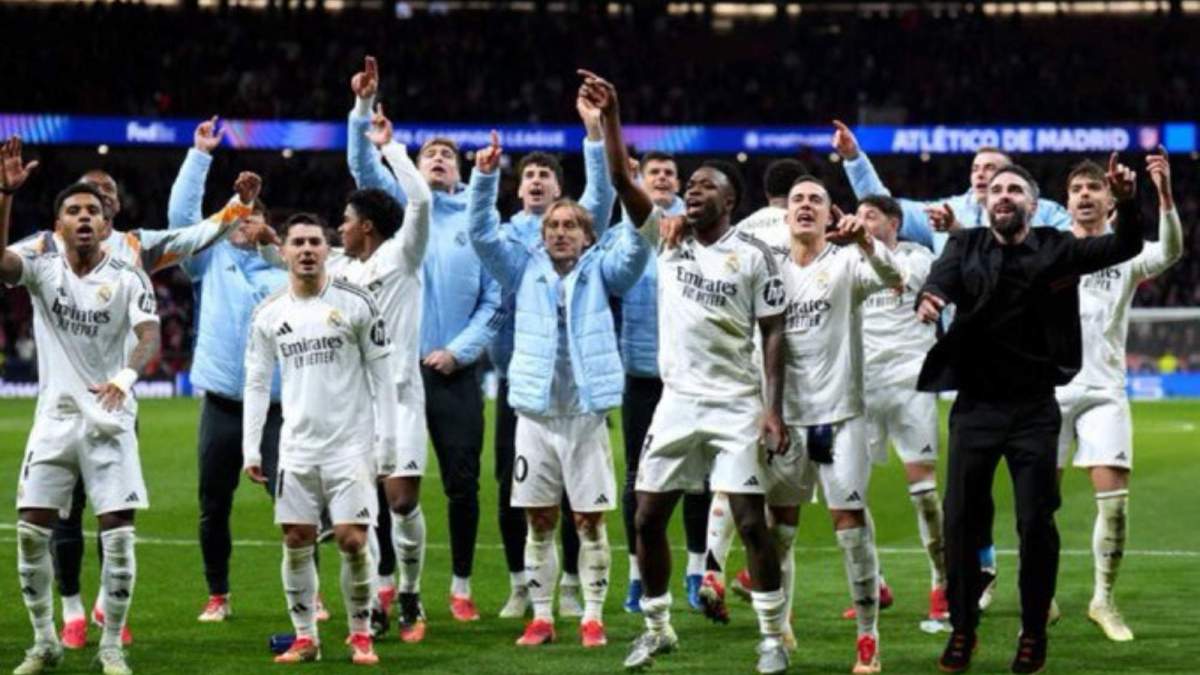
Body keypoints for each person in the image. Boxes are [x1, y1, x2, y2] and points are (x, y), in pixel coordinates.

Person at [6, 128, 265, 647]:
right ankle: (73, 609)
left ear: (114, 209)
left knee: (111, 514)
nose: (93, 206)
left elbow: (193, 237)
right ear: (65, 214)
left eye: (104, 199)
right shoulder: (43, 250)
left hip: (116, 399)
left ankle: (107, 607)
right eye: (84, 199)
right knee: (62, 515)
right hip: (60, 406)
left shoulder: (135, 249)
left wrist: (237, 206)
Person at [582, 71, 791, 675]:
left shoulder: (754, 256)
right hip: (677, 401)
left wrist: (771, 409)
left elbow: (774, 330)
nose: (692, 192)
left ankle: (772, 637)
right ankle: (657, 628)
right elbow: (623, 177)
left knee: (752, 522)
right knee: (647, 516)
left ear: (731, 202)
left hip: (735, 403)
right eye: (690, 185)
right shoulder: (665, 238)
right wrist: (613, 115)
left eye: (706, 187)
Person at [917, 158, 1144, 674]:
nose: (1003, 195)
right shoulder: (964, 245)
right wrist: (931, 298)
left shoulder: (1057, 248)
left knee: (1035, 522)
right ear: (985, 201)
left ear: (1032, 204)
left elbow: (1125, 246)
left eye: (1014, 189)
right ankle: (963, 630)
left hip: (1034, 410)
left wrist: (1128, 202)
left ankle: (1033, 632)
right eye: (996, 189)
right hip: (975, 407)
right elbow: (940, 280)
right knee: (960, 521)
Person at [469, 130, 649, 648]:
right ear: (541, 233)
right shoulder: (522, 267)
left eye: (571, 225)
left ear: (589, 235)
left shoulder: (604, 271)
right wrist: (484, 178)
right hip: (535, 415)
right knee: (539, 518)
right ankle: (542, 615)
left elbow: (637, 246)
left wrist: (625, 182)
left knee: (589, 520)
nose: (561, 232)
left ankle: (592, 615)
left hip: (586, 416)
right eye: (553, 225)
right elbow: (483, 235)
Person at [348, 56, 501, 620]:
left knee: (463, 485)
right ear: (414, 165)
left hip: (454, 373)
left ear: (460, 172)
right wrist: (363, 108)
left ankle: (460, 587)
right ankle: (389, 579)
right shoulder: (401, 219)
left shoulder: (480, 225)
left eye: (447, 155)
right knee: (391, 486)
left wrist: (459, 351)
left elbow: (493, 303)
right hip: (394, 372)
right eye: (429, 153)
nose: (438, 159)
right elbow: (363, 163)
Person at [2, 176, 164, 675]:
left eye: (93, 210)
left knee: (117, 534)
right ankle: (45, 641)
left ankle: (111, 644)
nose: (85, 216)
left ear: (106, 222)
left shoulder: (128, 275)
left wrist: (126, 375)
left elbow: (149, 335)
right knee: (31, 531)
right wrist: (6, 196)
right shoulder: (42, 267)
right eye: (74, 210)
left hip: (109, 421)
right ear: (58, 225)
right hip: (53, 421)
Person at [480, 90, 616, 620]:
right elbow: (490, 299)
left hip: (576, 383)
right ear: (519, 190)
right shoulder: (507, 241)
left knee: (579, 501)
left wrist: (593, 136)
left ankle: (572, 588)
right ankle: (524, 586)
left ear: (563, 195)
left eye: (546, 176)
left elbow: (600, 201)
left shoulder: (576, 235)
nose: (536, 181)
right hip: (521, 382)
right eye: (528, 175)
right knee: (516, 492)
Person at [242, 215, 399, 666]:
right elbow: (256, 382)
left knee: (352, 539)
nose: (307, 249)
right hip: (296, 446)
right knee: (296, 538)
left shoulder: (356, 303)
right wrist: (252, 447)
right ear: (285, 252)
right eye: (298, 243)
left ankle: (360, 634)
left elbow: (383, 377)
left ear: (327, 250)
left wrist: (386, 445)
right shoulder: (270, 312)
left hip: (350, 446)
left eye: (315, 242)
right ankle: (305, 637)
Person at [763, 178, 904, 673]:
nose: (804, 205)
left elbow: (895, 278)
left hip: (840, 416)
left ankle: (868, 637)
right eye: (796, 198)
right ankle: (779, 628)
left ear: (830, 215)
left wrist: (866, 241)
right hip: (784, 418)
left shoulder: (847, 262)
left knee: (849, 525)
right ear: (786, 215)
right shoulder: (769, 266)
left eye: (815, 200)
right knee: (779, 531)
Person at [163, 118, 291, 625]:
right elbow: (179, 220)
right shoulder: (209, 261)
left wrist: (271, 242)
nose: (242, 226)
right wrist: (199, 156)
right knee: (212, 507)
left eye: (250, 219)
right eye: (235, 220)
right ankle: (219, 593)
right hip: (220, 405)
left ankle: (311, 595)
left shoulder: (287, 268)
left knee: (294, 507)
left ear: (264, 225)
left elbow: (307, 266)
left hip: (279, 408)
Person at [1055, 149, 1183, 641]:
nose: (1085, 195)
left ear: (1111, 200)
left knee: (1114, 505)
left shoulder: (1124, 251)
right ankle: (1039, 593)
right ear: (1066, 203)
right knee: (1037, 503)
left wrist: (1164, 193)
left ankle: (1103, 601)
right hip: (1048, 391)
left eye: (1094, 188)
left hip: (1105, 390)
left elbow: (1169, 252)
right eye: (1077, 190)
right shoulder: (1051, 248)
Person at [329, 108, 434, 643]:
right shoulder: (339, 271)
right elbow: (294, 256)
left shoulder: (402, 256)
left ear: (366, 226)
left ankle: (411, 594)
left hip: (400, 398)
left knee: (401, 502)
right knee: (360, 510)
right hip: (353, 406)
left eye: (345, 220)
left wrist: (392, 149)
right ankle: (372, 603)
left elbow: (420, 200)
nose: (339, 228)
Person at [613, 151, 714, 613]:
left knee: (700, 480)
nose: (662, 179)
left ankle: (697, 571)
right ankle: (637, 576)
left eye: (669, 174)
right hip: (641, 374)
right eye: (653, 172)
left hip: (693, 377)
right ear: (640, 179)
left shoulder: (700, 235)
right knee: (636, 479)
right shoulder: (626, 236)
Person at [856, 194, 948, 626]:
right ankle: (875, 582)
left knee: (925, 494)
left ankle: (941, 587)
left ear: (894, 222)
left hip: (912, 379)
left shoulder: (919, 257)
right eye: (858, 215)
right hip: (861, 387)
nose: (862, 221)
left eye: (870, 214)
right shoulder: (845, 259)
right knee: (852, 493)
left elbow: (900, 280)